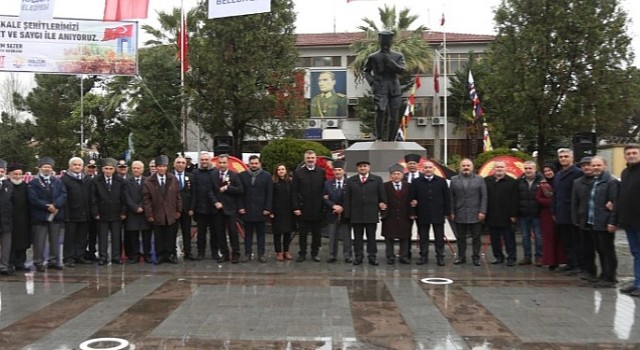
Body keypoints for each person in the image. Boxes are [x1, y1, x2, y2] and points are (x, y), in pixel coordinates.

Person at [363, 30, 406, 141]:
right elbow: (366, 71)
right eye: (383, 43)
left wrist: (390, 62)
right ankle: (379, 137)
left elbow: (401, 70)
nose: (386, 45)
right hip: (379, 86)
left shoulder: (398, 56)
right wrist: (372, 82)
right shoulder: (373, 57)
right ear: (380, 42)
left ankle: (391, 139)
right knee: (380, 110)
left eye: (387, 43)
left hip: (394, 87)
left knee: (394, 115)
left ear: (391, 43)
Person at [583, 156, 619, 288]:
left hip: (605, 222)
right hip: (594, 221)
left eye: (598, 165)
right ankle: (604, 275)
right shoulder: (595, 181)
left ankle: (610, 277)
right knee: (600, 250)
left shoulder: (611, 181)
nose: (595, 168)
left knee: (607, 251)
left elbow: (615, 203)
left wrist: (612, 222)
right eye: (594, 165)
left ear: (605, 166)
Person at [344, 160, 387, 265]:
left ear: (369, 167)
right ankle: (358, 256)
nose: (362, 168)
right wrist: (347, 214)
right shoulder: (351, 181)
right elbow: (347, 199)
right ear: (357, 169)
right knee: (357, 237)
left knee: (371, 237)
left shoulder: (377, 180)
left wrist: (382, 207)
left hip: (371, 214)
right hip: (356, 214)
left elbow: (382, 196)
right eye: (360, 167)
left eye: (365, 166)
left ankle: (372, 256)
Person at [409, 161, 451, 266]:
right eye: (426, 167)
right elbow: (412, 198)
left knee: (439, 237)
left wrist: (447, 212)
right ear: (422, 169)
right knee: (423, 237)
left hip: (438, 213)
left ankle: (440, 257)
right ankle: (423, 256)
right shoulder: (416, 182)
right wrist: (413, 212)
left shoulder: (441, 181)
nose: (428, 169)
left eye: (430, 167)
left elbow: (447, 198)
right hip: (422, 213)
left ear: (434, 169)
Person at [28, 157, 67, 272]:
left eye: (49, 167)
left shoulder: (58, 181)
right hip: (40, 215)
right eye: (44, 167)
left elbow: (63, 195)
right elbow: (33, 198)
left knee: (55, 239)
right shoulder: (33, 182)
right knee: (39, 241)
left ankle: (54, 260)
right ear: (40, 168)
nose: (47, 169)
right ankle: (38, 261)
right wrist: (47, 206)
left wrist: (56, 205)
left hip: (55, 214)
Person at [142, 155, 182, 264]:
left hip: (171, 212)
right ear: (156, 167)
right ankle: (160, 255)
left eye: (163, 166)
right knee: (159, 236)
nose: (161, 168)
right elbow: (146, 200)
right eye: (159, 166)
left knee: (171, 235)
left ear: (167, 167)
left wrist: (179, 210)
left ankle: (170, 255)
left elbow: (178, 196)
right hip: (157, 212)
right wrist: (149, 214)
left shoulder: (173, 179)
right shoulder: (149, 181)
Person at [552, 148, 583, 274]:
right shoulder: (558, 175)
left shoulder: (578, 173)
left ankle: (577, 265)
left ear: (572, 158)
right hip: (560, 212)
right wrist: (553, 211)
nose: (563, 159)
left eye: (566, 156)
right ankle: (570, 263)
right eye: (561, 157)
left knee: (575, 241)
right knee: (566, 241)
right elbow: (555, 194)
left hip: (572, 213)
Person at [450, 158, 487, 266]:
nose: (466, 167)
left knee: (476, 237)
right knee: (461, 237)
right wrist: (451, 212)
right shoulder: (454, 179)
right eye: (464, 165)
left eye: (468, 165)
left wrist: (482, 211)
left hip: (475, 213)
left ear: (472, 167)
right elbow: (451, 197)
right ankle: (461, 257)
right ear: (460, 167)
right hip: (459, 212)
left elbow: (484, 196)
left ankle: (476, 257)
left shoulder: (479, 179)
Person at [91, 157, 127, 265]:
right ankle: (103, 257)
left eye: (110, 168)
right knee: (102, 237)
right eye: (106, 168)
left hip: (116, 213)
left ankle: (116, 257)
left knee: (116, 236)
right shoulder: (96, 180)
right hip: (102, 213)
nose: (108, 171)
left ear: (114, 169)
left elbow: (124, 197)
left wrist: (123, 212)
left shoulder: (120, 180)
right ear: (102, 169)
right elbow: (93, 198)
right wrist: (95, 212)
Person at [292, 150, 326, 262]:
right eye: (308, 158)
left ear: (316, 159)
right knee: (303, 234)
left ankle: (315, 253)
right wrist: (296, 207)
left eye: (312, 158)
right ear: (305, 159)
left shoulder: (321, 172)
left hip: (317, 208)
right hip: (303, 208)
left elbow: (324, 190)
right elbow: (294, 192)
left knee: (317, 234)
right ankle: (302, 253)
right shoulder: (298, 173)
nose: (310, 160)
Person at [239, 155, 273, 263]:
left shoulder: (267, 176)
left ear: (260, 164)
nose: (254, 165)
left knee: (261, 234)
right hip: (247, 210)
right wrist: (240, 207)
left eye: (256, 163)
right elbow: (239, 193)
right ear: (248, 164)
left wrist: (268, 208)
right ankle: (247, 253)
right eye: (252, 163)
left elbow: (269, 193)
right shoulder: (242, 175)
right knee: (247, 234)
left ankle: (261, 254)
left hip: (261, 210)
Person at [484, 160, 518, 266]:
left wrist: (513, 214)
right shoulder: (487, 181)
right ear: (494, 169)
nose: (499, 169)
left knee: (509, 239)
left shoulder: (512, 181)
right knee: (495, 239)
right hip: (492, 214)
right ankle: (498, 257)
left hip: (507, 216)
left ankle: (511, 257)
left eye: (501, 167)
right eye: (497, 167)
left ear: (505, 169)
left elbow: (515, 199)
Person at [211, 154, 244, 264]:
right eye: (220, 163)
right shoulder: (213, 174)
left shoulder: (234, 175)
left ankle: (236, 254)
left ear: (228, 163)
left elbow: (240, 189)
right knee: (219, 233)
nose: (222, 165)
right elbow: (210, 191)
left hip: (231, 208)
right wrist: (215, 202)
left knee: (233, 232)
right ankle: (224, 254)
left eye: (224, 162)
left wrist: (228, 188)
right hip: (218, 209)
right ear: (217, 163)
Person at [61, 157, 92, 267]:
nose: (77, 167)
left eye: (79, 165)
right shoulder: (65, 179)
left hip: (84, 213)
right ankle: (68, 258)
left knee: (82, 236)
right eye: (75, 165)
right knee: (70, 237)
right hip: (71, 213)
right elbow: (63, 197)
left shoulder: (87, 179)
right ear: (70, 166)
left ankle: (79, 255)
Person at [618, 144, 640, 297]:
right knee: (636, 252)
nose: (631, 155)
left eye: (634, 153)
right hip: (629, 221)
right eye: (628, 153)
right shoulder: (625, 172)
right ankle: (638, 281)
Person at [537, 163, 566, 270]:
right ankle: (550, 261)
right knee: (549, 238)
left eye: (549, 170)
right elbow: (538, 198)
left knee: (560, 238)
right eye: (545, 171)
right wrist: (552, 202)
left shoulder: (559, 181)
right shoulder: (542, 184)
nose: (548, 173)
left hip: (560, 213)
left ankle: (561, 260)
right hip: (546, 214)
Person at [571, 157, 596, 279]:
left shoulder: (600, 181)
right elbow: (574, 202)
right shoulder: (577, 182)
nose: (586, 167)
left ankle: (607, 275)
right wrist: (575, 219)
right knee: (585, 248)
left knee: (603, 250)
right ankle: (588, 270)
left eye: (589, 165)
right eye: (584, 165)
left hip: (598, 221)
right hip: (583, 220)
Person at [381, 163, 411, 265]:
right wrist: (380, 205)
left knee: (405, 236)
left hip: (404, 215)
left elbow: (412, 200)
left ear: (402, 175)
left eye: (398, 174)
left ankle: (404, 256)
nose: (396, 176)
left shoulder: (408, 186)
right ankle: (390, 256)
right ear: (390, 175)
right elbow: (380, 199)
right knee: (389, 237)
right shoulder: (385, 186)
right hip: (389, 215)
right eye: (394, 174)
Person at [322, 160, 352, 263]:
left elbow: (352, 198)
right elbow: (324, 198)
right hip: (332, 212)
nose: (337, 172)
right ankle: (332, 255)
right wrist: (334, 206)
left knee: (347, 236)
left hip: (346, 213)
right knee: (332, 235)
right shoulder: (327, 184)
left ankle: (347, 255)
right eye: (335, 170)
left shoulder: (350, 183)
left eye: (339, 170)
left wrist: (342, 207)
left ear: (344, 171)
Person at [190, 151, 218, 260]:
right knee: (201, 233)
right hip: (200, 208)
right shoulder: (195, 173)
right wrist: (193, 207)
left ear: (210, 160)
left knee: (214, 233)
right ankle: (200, 252)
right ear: (199, 161)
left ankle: (215, 252)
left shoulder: (216, 172)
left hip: (214, 209)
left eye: (206, 159)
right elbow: (193, 192)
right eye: (202, 160)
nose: (204, 162)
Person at [123, 160, 152, 264]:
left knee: (146, 235)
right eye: (134, 168)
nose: (136, 170)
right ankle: (135, 255)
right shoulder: (127, 181)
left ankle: (147, 254)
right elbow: (126, 196)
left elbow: (149, 196)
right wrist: (135, 207)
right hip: (132, 212)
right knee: (133, 235)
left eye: (138, 168)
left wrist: (142, 206)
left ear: (142, 169)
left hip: (145, 212)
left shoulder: (148, 181)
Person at [516, 160, 543, 266]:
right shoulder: (519, 181)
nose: (528, 170)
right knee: (525, 237)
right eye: (526, 168)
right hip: (523, 214)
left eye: (530, 168)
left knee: (538, 237)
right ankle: (527, 257)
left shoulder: (542, 181)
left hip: (537, 214)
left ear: (535, 169)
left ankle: (539, 257)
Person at [7, 164, 31, 272]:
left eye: (20, 174)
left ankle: (20, 263)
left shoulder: (25, 186)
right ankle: (10, 263)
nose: (18, 176)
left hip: (24, 218)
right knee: (11, 243)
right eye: (15, 174)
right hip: (10, 219)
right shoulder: (6, 186)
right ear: (10, 174)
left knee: (23, 241)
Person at [271, 164, 295, 261]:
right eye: (279, 169)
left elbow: (293, 196)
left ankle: (286, 251)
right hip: (277, 211)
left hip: (288, 211)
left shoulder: (289, 182)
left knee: (287, 233)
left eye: (283, 169)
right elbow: (271, 197)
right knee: (278, 233)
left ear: (286, 171)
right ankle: (279, 252)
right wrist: (271, 210)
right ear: (276, 172)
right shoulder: (273, 182)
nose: (281, 171)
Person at [173, 156, 195, 261]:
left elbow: (193, 194)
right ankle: (173, 252)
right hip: (173, 210)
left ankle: (188, 252)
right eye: (178, 162)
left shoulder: (190, 176)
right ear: (174, 164)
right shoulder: (170, 176)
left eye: (182, 163)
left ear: (185, 165)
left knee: (186, 232)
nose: (180, 164)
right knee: (172, 232)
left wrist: (191, 208)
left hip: (186, 210)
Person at [0, 166, 13, 275]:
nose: (0, 172)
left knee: (6, 245)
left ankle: (4, 266)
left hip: (6, 219)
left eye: (2, 170)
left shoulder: (8, 185)